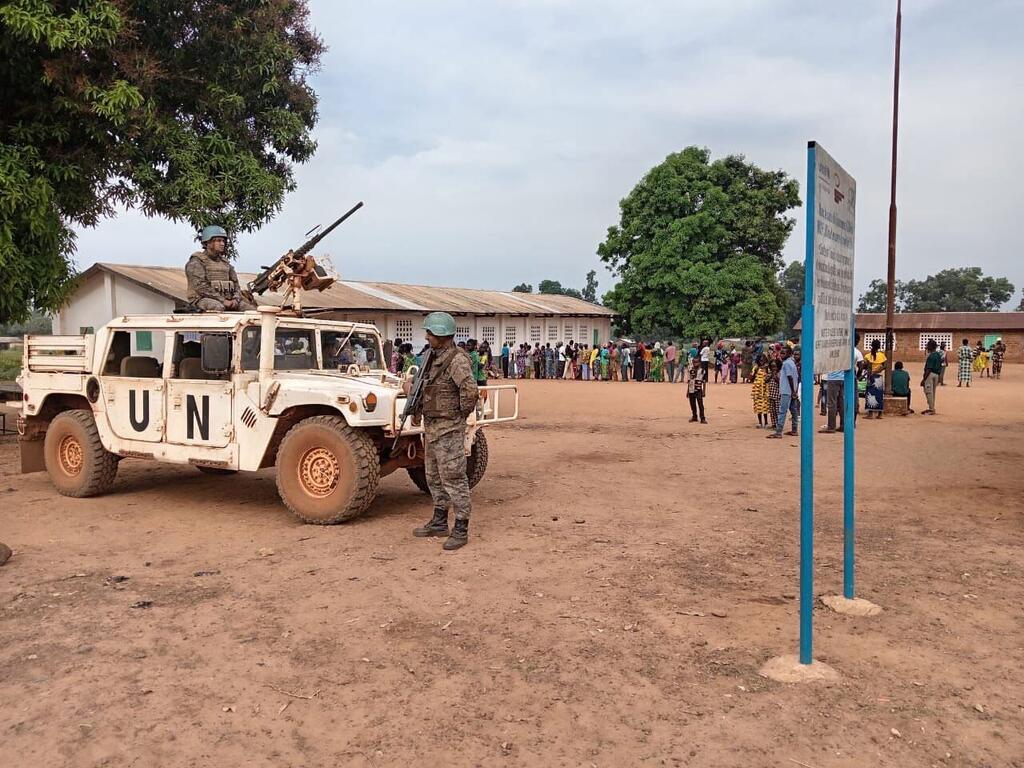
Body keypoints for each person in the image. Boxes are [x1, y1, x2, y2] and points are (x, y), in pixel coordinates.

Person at [410, 312, 479, 551]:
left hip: (448, 428)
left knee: (455, 478)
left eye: (429, 333)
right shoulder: (432, 357)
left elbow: (470, 392)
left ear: (440, 334)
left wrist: (458, 416)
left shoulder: (457, 360)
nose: (427, 337)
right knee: (433, 476)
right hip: (432, 427)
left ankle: (461, 528)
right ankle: (439, 522)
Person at [185, 225, 254, 311]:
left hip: (228, 300)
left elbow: (236, 286)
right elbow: (201, 287)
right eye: (218, 240)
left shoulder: (225, 263)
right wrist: (223, 300)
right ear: (208, 242)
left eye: (223, 241)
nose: (222, 243)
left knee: (251, 310)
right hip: (201, 300)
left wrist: (235, 299)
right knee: (218, 307)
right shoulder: (197, 262)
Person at [768, 346, 799, 438]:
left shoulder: (786, 364)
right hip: (791, 390)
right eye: (781, 353)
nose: (781, 355)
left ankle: (778, 432)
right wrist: (795, 390)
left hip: (787, 391)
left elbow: (790, 377)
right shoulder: (792, 363)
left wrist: (793, 391)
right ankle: (794, 430)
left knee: (782, 411)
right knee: (793, 411)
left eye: (783, 353)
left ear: (789, 354)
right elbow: (795, 377)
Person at [921, 339, 942, 414]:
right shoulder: (938, 355)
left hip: (930, 374)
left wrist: (924, 379)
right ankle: (932, 407)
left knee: (928, 392)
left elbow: (928, 369)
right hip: (936, 374)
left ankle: (931, 409)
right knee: (933, 392)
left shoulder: (931, 356)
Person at [751, 354, 770, 428]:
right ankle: (759, 422)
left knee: (765, 406)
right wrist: (755, 372)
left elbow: (769, 377)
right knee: (758, 406)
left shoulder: (767, 368)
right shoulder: (755, 368)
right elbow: (751, 379)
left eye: (763, 360)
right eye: (760, 360)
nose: (761, 362)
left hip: (765, 389)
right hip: (757, 390)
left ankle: (766, 422)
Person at [686, 357, 707, 423]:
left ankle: (702, 418)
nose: (695, 364)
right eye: (694, 362)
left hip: (698, 389)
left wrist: (704, 391)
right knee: (692, 404)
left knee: (700, 404)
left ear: (699, 363)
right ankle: (694, 416)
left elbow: (704, 382)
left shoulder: (702, 371)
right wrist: (687, 391)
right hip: (691, 389)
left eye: (697, 362)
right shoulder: (690, 370)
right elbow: (689, 381)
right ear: (692, 363)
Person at [766, 358, 781, 431]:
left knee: (778, 411)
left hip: (778, 396)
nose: (773, 368)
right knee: (772, 411)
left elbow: (780, 383)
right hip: (771, 395)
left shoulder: (780, 373)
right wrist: (771, 375)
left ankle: (779, 425)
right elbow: (765, 380)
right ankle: (773, 424)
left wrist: (775, 377)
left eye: (775, 366)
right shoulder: (769, 373)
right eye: (772, 366)